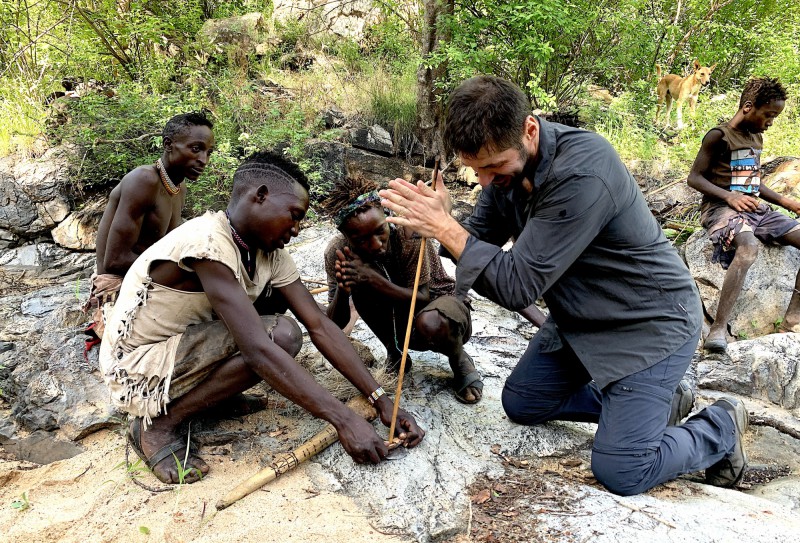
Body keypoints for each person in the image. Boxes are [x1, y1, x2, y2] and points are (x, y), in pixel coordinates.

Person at [379, 75, 748, 496]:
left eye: (493, 167)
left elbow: (516, 286)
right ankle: (655, 408)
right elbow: (477, 239)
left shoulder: (583, 172)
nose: (483, 181)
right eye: (475, 170)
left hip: (648, 324)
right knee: (523, 402)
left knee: (622, 470)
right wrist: (447, 221)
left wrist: (448, 230)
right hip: (581, 317)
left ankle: (719, 425)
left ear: (529, 129)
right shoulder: (505, 173)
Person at [99, 151, 424, 484]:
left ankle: (206, 399)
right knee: (278, 335)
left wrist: (380, 400)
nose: (297, 229)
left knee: (280, 327)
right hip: (137, 369)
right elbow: (256, 348)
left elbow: (320, 326)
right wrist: (343, 420)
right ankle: (157, 425)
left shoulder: (270, 254)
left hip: (181, 351)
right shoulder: (208, 241)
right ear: (260, 196)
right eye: (294, 215)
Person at [323, 176, 481, 403]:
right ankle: (395, 353)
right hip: (396, 318)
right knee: (360, 288)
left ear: (386, 217)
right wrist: (343, 289)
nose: (376, 244)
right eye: (361, 239)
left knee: (431, 322)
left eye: (380, 230)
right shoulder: (338, 252)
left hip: (439, 309)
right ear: (346, 237)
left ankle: (459, 360)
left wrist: (373, 279)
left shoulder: (408, 234)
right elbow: (334, 323)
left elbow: (423, 296)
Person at [85, 111, 215, 345]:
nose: (203, 160)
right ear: (168, 145)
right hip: (119, 285)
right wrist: (183, 270)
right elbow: (114, 260)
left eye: (208, 152)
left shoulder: (179, 187)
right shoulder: (144, 180)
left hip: (147, 277)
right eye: (196, 149)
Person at [687, 77, 793, 353]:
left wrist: (786, 201)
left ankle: (792, 322)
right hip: (720, 209)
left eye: (775, 117)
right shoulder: (718, 136)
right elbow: (695, 178)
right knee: (747, 247)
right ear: (748, 107)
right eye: (768, 115)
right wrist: (729, 197)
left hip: (754, 208)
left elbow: (752, 181)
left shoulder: (757, 137)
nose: (771, 122)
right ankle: (718, 328)